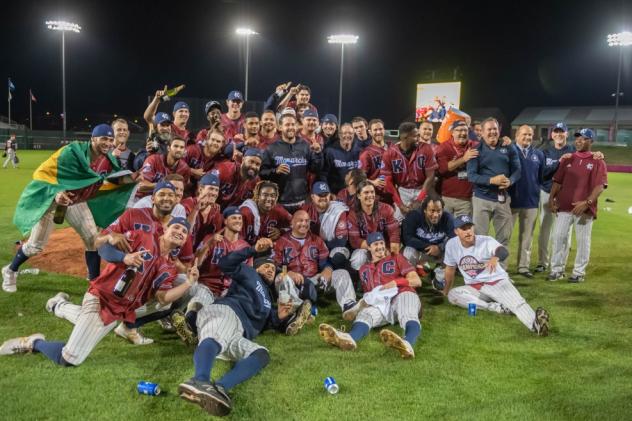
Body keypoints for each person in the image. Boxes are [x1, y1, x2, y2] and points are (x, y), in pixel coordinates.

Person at [0, 218, 197, 365]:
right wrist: (123, 257)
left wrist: (188, 283)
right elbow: (100, 247)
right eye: (176, 227)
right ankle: (34, 342)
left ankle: (58, 304)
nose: (180, 231)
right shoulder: (142, 236)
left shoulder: (169, 267)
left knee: (85, 320)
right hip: (101, 298)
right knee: (69, 359)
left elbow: (163, 298)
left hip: (120, 309)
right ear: (165, 228)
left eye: (184, 231)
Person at [177, 240, 309, 416]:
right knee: (215, 336)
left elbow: (266, 323)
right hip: (226, 312)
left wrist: (279, 317)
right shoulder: (248, 273)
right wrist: (252, 250)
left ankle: (219, 388)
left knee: (261, 354)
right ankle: (200, 380)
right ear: (257, 267)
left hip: (239, 332)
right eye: (265, 266)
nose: (270, 269)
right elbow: (225, 263)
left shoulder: (269, 300)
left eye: (272, 268)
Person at [3, 124, 118, 292]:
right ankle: (10, 270)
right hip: (51, 199)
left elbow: (114, 181)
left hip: (74, 201)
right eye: (103, 139)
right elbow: (43, 173)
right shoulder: (71, 152)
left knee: (93, 239)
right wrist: (57, 192)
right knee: (36, 246)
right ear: (93, 138)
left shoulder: (107, 160)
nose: (107, 143)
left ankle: (95, 285)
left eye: (110, 139)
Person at [318, 232, 423, 359]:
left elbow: (416, 280)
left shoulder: (396, 258)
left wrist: (396, 282)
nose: (379, 247)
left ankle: (408, 344)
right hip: (381, 303)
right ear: (369, 247)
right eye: (375, 244)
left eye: (382, 243)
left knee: (407, 313)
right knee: (365, 315)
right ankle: (349, 338)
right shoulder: (364, 269)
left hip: (402, 293)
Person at [442, 215, 550, 336]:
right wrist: (445, 291)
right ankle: (495, 307)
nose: (468, 231)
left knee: (517, 303)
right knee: (453, 295)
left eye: (470, 227)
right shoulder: (451, 245)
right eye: (463, 229)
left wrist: (495, 257)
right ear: (456, 231)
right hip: (475, 288)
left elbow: (503, 251)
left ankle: (536, 325)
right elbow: (450, 269)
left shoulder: (486, 241)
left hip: (496, 282)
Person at [547, 129, 607, 283]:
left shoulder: (598, 161)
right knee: (558, 237)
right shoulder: (568, 159)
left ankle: (579, 272)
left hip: (585, 210)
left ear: (591, 141)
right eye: (577, 138)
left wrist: (587, 202)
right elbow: (557, 181)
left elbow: (600, 186)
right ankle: (557, 270)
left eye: (584, 139)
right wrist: (551, 198)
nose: (579, 141)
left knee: (583, 241)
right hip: (564, 207)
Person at [466, 117, 521, 266]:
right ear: (482, 133)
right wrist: (491, 181)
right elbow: (471, 176)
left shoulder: (508, 147)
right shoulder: (475, 151)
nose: (492, 132)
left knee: (503, 238)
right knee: (479, 238)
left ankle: (501, 273)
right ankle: (479, 272)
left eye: (495, 129)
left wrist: (511, 181)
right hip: (481, 199)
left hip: (502, 199)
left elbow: (517, 170)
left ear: (499, 130)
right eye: (489, 129)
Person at [260, 113, 323, 213]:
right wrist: (275, 171)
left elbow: (315, 169)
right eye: (287, 125)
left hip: (302, 201)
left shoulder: (305, 145)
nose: (291, 127)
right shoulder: (271, 148)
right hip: (279, 202)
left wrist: (318, 153)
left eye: (293, 124)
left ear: (297, 126)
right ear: (280, 127)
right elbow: (262, 173)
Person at [536, 122, 574, 273]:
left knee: (565, 232)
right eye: (556, 132)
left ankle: (560, 265)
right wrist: (560, 163)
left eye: (562, 132)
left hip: (566, 195)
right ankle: (542, 262)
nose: (559, 134)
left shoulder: (573, 151)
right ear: (552, 135)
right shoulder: (545, 152)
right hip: (546, 193)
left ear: (567, 134)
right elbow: (543, 174)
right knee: (544, 229)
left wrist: (598, 154)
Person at [381, 122, 437, 221]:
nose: (419, 138)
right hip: (403, 190)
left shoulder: (426, 148)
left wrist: (419, 200)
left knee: (428, 218)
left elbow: (430, 176)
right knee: (397, 221)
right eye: (415, 136)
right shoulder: (389, 153)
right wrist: (400, 205)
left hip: (422, 188)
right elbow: (388, 182)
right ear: (405, 137)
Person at [509, 125, 544, 278]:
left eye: (530, 135)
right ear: (517, 135)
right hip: (510, 202)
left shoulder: (538, 154)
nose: (527, 137)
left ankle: (523, 267)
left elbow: (540, 178)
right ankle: (501, 267)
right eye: (524, 134)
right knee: (505, 237)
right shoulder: (509, 151)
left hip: (531, 202)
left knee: (527, 237)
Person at [347, 181, 400, 270]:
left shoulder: (386, 209)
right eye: (366, 192)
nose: (370, 195)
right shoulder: (353, 214)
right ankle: (362, 280)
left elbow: (394, 234)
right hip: (366, 249)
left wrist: (392, 254)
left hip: (385, 248)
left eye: (372, 192)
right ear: (359, 196)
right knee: (358, 258)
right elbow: (355, 241)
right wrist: (376, 249)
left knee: (396, 259)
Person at [402, 194, 455, 279]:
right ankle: (410, 280)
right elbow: (407, 239)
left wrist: (440, 247)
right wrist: (428, 246)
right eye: (432, 211)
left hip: (439, 252)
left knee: (453, 251)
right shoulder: (413, 216)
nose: (435, 215)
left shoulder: (448, 218)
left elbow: (454, 238)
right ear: (424, 210)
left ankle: (439, 276)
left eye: (439, 211)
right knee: (408, 251)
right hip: (419, 251)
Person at [301, 181, 350, 268]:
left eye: (326, 195)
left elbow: (341, 241)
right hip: (312, 246)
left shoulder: (338, 210)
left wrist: (320, 246)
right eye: (320, 195)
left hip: (332, 246)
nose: (323, 198)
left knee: (339, 255)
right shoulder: (305, 209)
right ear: (312, 197)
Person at [435, 120, 478, 217]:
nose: (462, 133)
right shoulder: (444, 147)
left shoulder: (475, 145)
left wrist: (503, 141)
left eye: (465, 130)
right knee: (445, 229)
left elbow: (490, 145)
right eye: (459, 130)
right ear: (453, 132)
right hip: (446, 197)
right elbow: (443, 169)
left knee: (462, 229)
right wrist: (463, 159)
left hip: (466, 199)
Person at [137, 136, 202, 198]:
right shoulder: (153, 160)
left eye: (181, 147)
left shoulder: (185, 169)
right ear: (168, 148)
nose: (179, 149)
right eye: (176, 146)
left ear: (184, 151)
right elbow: (140, 186)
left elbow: (182, 191)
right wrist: (166, 184)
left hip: (164, 201)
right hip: (143, 198)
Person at [239, 181, 292, 245]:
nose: (269, 199)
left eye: (273, 195)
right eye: (265, 195)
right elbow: (235, 241)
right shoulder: (245, 213)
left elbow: (296, 226)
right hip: (246, 251)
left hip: (269, 251)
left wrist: (281, 232)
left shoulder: (278, 210)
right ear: (257, 196)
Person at [321, 123, 361, 194]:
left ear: (354, 135)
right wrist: (327, 192)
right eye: (344, 133)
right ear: (339, 135)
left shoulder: (359, 151)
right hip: (335, 193)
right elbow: (323, 175)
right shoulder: (330, 151)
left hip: (354, 193)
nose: (347, 135)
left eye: (350, 133)